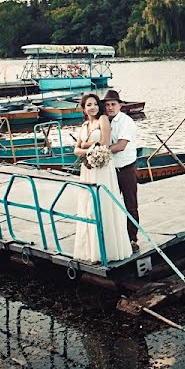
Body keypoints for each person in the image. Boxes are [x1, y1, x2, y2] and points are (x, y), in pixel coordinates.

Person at [72, 94, 133, 263]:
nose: (93, 107)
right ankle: (93, 249)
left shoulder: (103, 120)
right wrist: (88, 150)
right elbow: (75, 150)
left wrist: (85, 147)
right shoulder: (84, 125)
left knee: (105, 205)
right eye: (89, 105)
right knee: (89, 206)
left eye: (95, 104)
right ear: (84, 108)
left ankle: (112, 248)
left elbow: (105, 145)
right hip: (87, 169)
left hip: (102, 169)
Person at [103, 89, 141, 252]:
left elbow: (121, 146)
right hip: (110, 169)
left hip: (126, 168)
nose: (110, 107)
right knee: (109, 204)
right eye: (107, 105)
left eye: (113, 104)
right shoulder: (104, 121)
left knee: (130, 204)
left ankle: (132, 238)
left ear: (120, 105)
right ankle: (114, 238)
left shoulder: (126, 122)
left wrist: (99, 150)